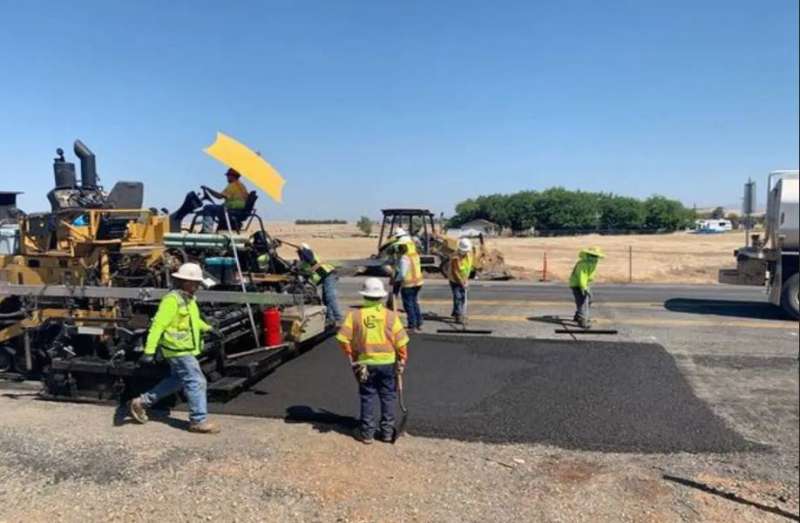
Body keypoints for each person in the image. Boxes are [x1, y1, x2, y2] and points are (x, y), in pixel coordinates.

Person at [128, 262, 221, 434]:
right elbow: (158, 325)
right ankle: (198, 421)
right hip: (177, 350)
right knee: (196, 381)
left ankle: (141, 403)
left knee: (177, 380)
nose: (197, 286)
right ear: (185, 282)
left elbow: (193, 320)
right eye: (195, 283)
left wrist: (208, 328)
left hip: (184, 348)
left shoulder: (188, 299)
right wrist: (149, 351)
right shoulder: (171, 301)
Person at [336, 278, 409, 444]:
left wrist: (352, 355)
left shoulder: (354, 316)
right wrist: (402, 361)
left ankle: (367, 433)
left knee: (367, 396)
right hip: (387, 364)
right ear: (381, 297)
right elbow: (402, 343)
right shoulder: (391, 316)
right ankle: (387, 433)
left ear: (364, 296)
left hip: (365, 365)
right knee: (388, 396)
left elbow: (342, 338)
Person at [296, 243, 343, 325]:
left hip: (327, 275)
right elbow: (302, 271)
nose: (299, 254)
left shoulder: (310, 255)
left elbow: (307, 255)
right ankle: (330, 318)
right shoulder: (303, 263)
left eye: (300, 252)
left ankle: (338, 317)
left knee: (329, 296)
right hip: (323, 278)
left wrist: (302, 249)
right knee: (325, 298)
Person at [199, 168, 249, 233]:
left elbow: (219, 196)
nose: (227, 177)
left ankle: (206, 231)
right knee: (215, 207)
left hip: (231, 211)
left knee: (208, 207)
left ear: (232, 176)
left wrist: (208, 189)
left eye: (228, 175)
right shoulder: (242, 185)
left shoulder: (232, 185)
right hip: (239, 211)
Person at [569, 247, 605, 329]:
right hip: (577, 285)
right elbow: (582, 277)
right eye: (593, 255)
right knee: (583, 302)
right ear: (588, 255)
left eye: (596, 256)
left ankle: (578, 315)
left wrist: (586, 285)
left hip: (585, 284)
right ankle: (582, 321)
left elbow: (588, 276)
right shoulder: (583, 264)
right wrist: (584, 288)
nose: (595, 257)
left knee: (589, 299)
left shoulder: (592, 263)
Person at [394, 242, 424, 332]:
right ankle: (419, 322)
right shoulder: (415, 255)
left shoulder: (404, 258)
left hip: (408, 284)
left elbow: (402, 274)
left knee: (409, 305)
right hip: (418, 283)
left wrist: (396, 280)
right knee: (414, 303)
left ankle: (412, 325)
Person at [448, 238, 474, 324]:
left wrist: (466, 280)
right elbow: (455, 272)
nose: (466, 252)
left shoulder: (469, 255)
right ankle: (458, 315)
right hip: (454, 280)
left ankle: (458, 312)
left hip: (464, 278)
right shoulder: (455, 257)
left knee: (463, 297)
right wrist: (461, 283)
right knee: (458, 297)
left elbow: (468, 268)